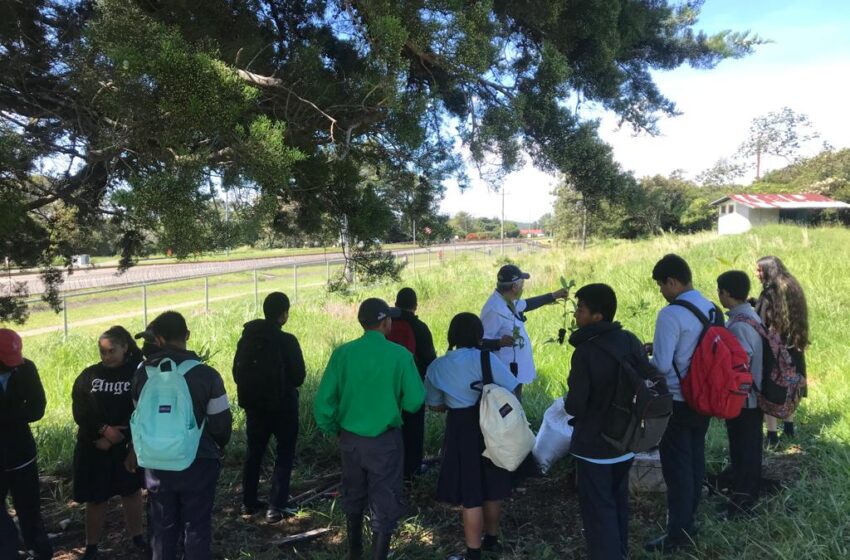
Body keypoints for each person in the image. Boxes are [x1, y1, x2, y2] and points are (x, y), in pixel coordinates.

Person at [313, 298, 425, 560]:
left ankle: (354, 552)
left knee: (353, 494)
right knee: (385, 500)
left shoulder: (342, 354)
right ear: (386, 322)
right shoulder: (400, 355)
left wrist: (334, 429)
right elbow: (415, 401)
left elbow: (324, 402)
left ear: (361, 322)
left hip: (350, 439)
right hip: (385, 441)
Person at [131, 311, 233, 560]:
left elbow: (138, 416)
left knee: (161, 526)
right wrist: (218, 446)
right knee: (196, 524)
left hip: (156, 463)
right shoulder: (207, 375)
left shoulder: (142, 374)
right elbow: (221, 424)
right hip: (198, 460)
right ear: (187, 335)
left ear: (158, 339)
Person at [425, 312, 519, 560]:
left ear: (451, 336)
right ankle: (492, 539)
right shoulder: (486, 358)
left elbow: (434, 405)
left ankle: (472, 552)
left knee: (471, 492)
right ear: (479, 335)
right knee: (492, 483)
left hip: (460, 428)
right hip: (491, 427)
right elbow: (511, 386)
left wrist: (451, 402)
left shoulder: (437, 366)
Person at [644, 254, 719, 553]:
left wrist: (643, 359)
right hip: (705, 397)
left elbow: (661, 365)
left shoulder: (670, 314)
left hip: (677, 400)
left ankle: (677, 534)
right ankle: (690, 520)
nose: (662, 292)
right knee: (695, 459)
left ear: (672, 282)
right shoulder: (711, 308)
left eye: (662, 286)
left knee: (677, 468)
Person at [565, 284, 642, 560]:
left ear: (597, 316)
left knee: (599, 510)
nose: (576, 315)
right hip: (626, 440)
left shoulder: (585, 352)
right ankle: (619, 552)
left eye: (580, 309)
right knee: (618, 502)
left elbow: (576, 404)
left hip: (594, 445)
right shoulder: (631, 341)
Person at [72, 326, 147, 559]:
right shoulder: (89, 375)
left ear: (124, 347)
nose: (106, 356)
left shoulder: (137, 373)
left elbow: (141, 409)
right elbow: (80, 409)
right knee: (96, 499)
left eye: (111, 351)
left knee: (131, 492)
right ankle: (92, 546)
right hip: (93, 448)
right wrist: (103, 432)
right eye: (102, 351)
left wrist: (120, 437)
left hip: (125, 448)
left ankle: (138, 537)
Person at [233, 292, 306, 522]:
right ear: (283, 315)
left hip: (254, 407)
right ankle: (276, 506)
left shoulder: (246, 338)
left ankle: (248, 502)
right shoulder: (287, 341)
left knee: (254, 453)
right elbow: (299, 376)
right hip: (283, 405)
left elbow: (236, 373)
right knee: (285, 453)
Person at [0, 328, 53, 560]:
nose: (12, 366)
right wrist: (15, 413)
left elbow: (37, 407)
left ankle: (40, 550)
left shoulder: (26, 368)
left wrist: (7, 417)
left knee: (30, 508)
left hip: (21, 452)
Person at [480, 264, 569, 399]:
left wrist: (553, 295)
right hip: (504, 373)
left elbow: (527, 304)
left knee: (516, 406)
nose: (523, 287)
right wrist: (499, 343)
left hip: (515, 370)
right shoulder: (494, 309)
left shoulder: (507, 300)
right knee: (508, 410)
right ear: (514, 287)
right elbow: (480, 342)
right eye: (522, 283)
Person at [717, 271, 764, 517]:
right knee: (751, 448)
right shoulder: (751, 315)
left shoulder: (738, 325)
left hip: (744, 400)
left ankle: (742, 504)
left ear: (726, 293)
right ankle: (746, 494)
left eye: (720, 292)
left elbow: (739, 364)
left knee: (743, 450)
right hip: (754, 397)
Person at [753, 256, 809, 446]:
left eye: (759, 270)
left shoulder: (770, 292)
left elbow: (762, 320)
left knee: (771, 390)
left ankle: (771, 436)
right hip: (794, 346)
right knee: (791, 386)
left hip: (774, 350)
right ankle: (789, 428)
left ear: (769, 271)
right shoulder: (793, 286)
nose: (757, 274)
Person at [387, 287, 437, 480]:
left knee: (389, 428)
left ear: (396, 303)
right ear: (415, 306)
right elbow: (430, 358)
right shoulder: (420, 327)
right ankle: (413, 469)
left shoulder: (386, 324)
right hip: (413, 385)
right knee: (414, 429)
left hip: (388, 387)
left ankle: (391, 466)